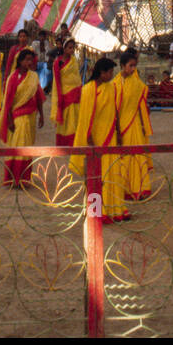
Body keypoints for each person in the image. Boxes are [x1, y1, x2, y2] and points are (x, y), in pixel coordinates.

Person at [70, 57, 128, 223]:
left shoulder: (112, 88)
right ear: (101, 72)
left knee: (112, 173)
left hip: (110, 137)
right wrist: (89, 141)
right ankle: (96, 210)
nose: (111, 74)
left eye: (112, 72)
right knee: (97, 176)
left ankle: (114, 208)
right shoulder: (88, 89)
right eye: (109, 72)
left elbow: (115, 112)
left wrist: (118, 134)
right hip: (96, 138)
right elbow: (85, 118)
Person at [0, 48, 45, 188]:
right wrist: (9, 120)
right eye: (26, 60)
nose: (29, 62)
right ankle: (14, 177)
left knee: (26, 145)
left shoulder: (34, 77)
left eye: (31, 60)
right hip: (18, 116)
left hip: (31, 116)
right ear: (20, 61)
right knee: (19, 145)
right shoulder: (13, 77)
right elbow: (8, 101)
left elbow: (38, 97)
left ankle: (24, 178)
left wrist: (41, 115)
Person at [114, 50, 153, 201]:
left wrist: (144, 125)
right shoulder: (116, 84)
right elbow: (115, 110)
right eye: (130, 66)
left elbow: (140, 105)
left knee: (138, 156)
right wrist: (117, 132)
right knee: (126, 158)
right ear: (122, 66)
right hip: (123, 125)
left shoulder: (136, 83)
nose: (133, 69)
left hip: (135, 124)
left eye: (134, 66)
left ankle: (141, 188)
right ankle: (126, 188)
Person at [50, 36, 81, 146]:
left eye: (73, 48)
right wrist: (59, 98)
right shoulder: (58, 63)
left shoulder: (74, 61)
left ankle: (74, 142)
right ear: (64, 48)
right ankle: (64, 143)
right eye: (69, 48)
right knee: (65, 122)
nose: (72, 50)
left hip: (75, 94)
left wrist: (79, 90)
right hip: (64, 95)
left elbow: (77, 77)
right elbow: (57, 82)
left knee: (74, 120)